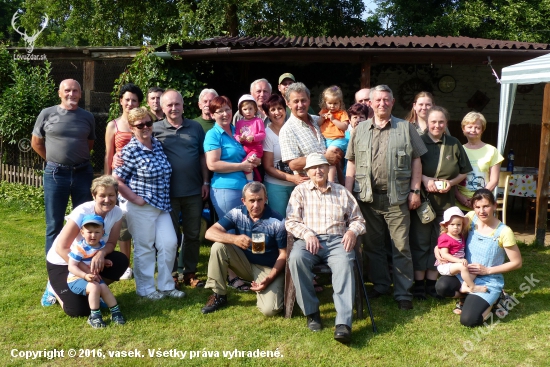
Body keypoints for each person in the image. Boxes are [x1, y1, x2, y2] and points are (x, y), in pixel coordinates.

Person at [345, 84, 427, 310]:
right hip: (367, 199)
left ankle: (403, 293)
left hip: (397, 199)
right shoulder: (359, 130)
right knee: (373, 246)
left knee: (401, 247)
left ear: (392, 102)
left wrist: (415, 190)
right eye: (378, 100)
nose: (382, 103)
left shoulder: (406, 128)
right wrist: (348, 194)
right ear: (369, 104)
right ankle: (381, 285)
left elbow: (417, 160)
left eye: (386, 100)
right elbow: (351, 161)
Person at [286, 153, 366, 344]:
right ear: (307, 172)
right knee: (296, 259)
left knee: (345, 263)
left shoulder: (341, 192)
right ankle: (312, 312)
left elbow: (358, 220)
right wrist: (307, 234)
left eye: (322, 166)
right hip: (309, 240)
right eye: (313, 168)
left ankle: (343, 323)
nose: (318, 170)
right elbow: (291, 221)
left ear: (328, 169)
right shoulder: (300, 191)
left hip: (337, 240)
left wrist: (352, 232)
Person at [114, 107, 184, 300]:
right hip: (141, 207)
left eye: (148, 123)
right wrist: (136, 199)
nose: (145, 127)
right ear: (131, 127)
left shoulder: (157, 144)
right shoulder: (129, 150)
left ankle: (166, 285)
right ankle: (145, 289)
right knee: (144, 248)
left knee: (169, 244)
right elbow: (117, 180)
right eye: (140, 125)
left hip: (161, 205)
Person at [409, 106, 472, 299]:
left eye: (441, 122)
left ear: (446, 124)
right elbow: (410, 169)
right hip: (424, 201)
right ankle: (419, 283)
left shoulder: (453, 143)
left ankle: (432, 282)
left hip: (446, 204)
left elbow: (464, 170)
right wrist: (426, 180)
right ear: (427, 122)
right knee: (420, 242)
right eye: (433, 122)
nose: (437, 125)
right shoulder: (418, 142)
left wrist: (451, 183)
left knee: (441, 241)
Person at [43, 175, 128, 316]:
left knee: (120, 261)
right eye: (102, 195)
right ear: (94, 196)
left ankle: (95, 291)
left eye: (111, 195)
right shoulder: (82, 212)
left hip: (89, 258)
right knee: (78, 310)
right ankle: (52, 286)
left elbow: (112, 243)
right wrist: (86, 270)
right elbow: (61, 247)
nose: (107, 200)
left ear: (117, 194)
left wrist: (101, 254)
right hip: (64, 262)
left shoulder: (117, 212)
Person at [435, 189, 522, 326]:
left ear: (494, 205)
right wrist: (437, 250)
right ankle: (469, 295)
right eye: (477, 207)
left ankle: (497, 299)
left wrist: (487, 271)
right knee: (442, 287)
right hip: (465, 274)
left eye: (486, 206)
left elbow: (517, 263)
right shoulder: (470, 218)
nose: (482, 211)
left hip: (488, 279)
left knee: (469, 320)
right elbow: (450, 236)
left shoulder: (504, 231)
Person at [201, 182, 287, 316]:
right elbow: (209, 233)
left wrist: (270, 278)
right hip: (244, 263)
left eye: (260, 200)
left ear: (266, 199)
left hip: (269, 268)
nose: (256, 205)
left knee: (270, 310)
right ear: (244, 201)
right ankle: (219, 295)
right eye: (251, 201)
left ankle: (273, 287)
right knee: (218, 246)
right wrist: (234, 239)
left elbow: (284, 254)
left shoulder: (277, 221)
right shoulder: (237, 213)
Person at [31, 79, 95, 256]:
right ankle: (53, 264)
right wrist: (54, 159)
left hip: (82, 173)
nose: (71, 94)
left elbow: (89, 144)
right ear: (59, 93)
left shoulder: (87, 117)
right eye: (67, 90)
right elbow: (36, 143)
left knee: (84, 220)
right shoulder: (47, 113)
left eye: (75, 91)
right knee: (54, 222)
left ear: (80, 94)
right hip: (55, 175)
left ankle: (82, 257)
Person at [154, 89, 210, 288]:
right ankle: (170, 274)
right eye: (169, 105)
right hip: (167, 193)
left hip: (194, 190)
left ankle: (190, 273)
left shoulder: (195, 127)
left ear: (183, 105)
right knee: (170, 237)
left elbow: (203, 156)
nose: (173, 108)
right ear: (162, 107)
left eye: (177, 104)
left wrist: (205, 182)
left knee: (193, 234)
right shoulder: (154, 129)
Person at [205, 96, 261, 291]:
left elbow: (250, 151)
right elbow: (213, 164)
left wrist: (254, 161)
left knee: (245, 229)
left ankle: (249, 270)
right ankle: (231, 276)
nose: (224, 114)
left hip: (244, 187)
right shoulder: (213, 135)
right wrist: (242, 165)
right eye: (219, 111)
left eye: (227, 109)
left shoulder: (238, 131)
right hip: (225, 188)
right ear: (212, 115)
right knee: (228, 231)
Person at [104, 83, 144, 280]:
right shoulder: (113, 125)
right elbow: (108, 154)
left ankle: (141, 262)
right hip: (120, 181)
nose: (130, 103)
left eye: (134, 100)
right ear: (121, 101)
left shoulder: (143, 123)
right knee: (124, 224)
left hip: (141, 180)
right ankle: (125, 265)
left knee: (140, 221)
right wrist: (106, 182)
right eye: (127, 99)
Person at [67, 214, 126, 328]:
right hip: (76, 279)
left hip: (92, 278)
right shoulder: (79, 248)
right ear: (82, 232)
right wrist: (85, 275)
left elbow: (93, 260)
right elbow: (72, 266)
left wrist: (105, 261)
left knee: (103, 287)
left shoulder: (101, 245)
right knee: (95, 287)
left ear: (103, 232)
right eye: (89, 232)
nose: (93, 235)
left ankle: (115, 312)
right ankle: (94, 316)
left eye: (97, 232)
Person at [279, 82, 343, 176]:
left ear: (309, 100)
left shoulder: (320, 120)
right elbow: (293, 164)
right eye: (296, 101)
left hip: (335, 184)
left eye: (303, 100)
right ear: (288, 104)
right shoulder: (287, 130)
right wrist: (324, 157)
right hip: (311, 187)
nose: (300, 105)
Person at [262, 94, 309, 216]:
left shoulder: (294, 128)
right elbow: (268, 167)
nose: (277, 112)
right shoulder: (267, 134)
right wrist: (292, 178)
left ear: (285, 109)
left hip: (300, 185)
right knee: (280, 224)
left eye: (280, 108)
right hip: (276, 187)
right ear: (267, 114)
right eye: (272, 110)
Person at [455, 112, 504, 210]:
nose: (473, 130)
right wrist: (461, 198)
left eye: (477, 127)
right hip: (459, 204)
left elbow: (494, 180)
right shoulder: (457, 150)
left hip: (483, 206)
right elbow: (452, 177)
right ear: (463, 129)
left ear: (482, 130)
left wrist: (477, 199)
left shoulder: (492, 151)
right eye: (469, 127)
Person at [435, 207, 487, 297]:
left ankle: (464, 285)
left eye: (459, 225)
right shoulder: (445, 237)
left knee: (474, 269)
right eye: (452, 224)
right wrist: (458, 261)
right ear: (446, 225)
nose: (456, 227)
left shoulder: (460, 236)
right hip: (446, 265)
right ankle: (472, 286)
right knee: (462, 267)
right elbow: (444, 254)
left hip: (456, 265)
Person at [318, 86, 350, 182]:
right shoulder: (324, 111)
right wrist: (322, 118)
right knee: (336, 164)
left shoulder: (342, 113)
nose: (332, 106)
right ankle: (341, 181)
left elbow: (345, 127)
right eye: (329, 103)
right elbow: (317, 123)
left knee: (330, 159)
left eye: (335, 103)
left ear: (340, 103)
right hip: (326, 140)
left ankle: (331, 182)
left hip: (338, 140)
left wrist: (333, 119)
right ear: (325, 103)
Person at [234, 94, 266, 181]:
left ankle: (250, 183)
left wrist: (254, 137)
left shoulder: (258, 121)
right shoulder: (239, 123)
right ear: (241, 111)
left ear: (255, 109)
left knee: (246, 163)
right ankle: (253, 179)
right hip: (244, 148)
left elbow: (263, 134)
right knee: (245, 164)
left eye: (250, 109)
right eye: (245, 109)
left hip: (255, 149)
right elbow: (236, 135)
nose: (248, 111)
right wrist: (240, 139)